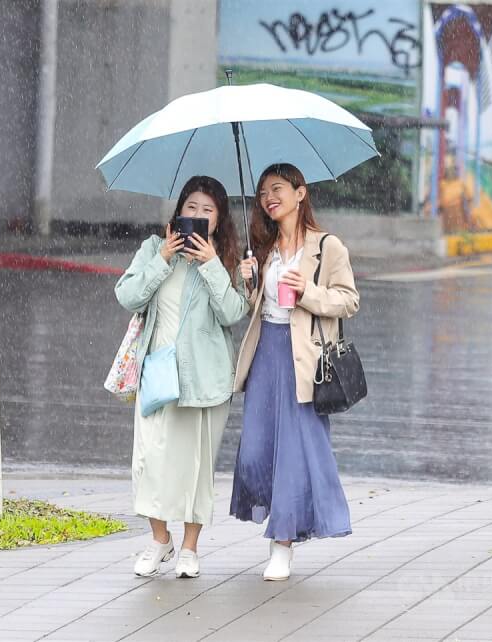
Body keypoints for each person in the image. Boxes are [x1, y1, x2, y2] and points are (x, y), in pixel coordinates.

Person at [114, 175, 249, 579]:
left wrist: (212, 265)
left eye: (208, 210)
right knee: (150, 461)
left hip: (206, 378)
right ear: (179, 213)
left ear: (219, 219)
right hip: (157, 373)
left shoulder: (225, 259)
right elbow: (128, 296)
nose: (198, 215)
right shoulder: (154, 249)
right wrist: (164, 260)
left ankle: (190, 548)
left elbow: (232, 313)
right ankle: (160, 540)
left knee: (196, 466)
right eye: (192, 208)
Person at [230, 163, 359, 581]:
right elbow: (253, 308)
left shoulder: (327, 247)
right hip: (266, 351)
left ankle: (281, 542)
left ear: (301, 194)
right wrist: (247, 281)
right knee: (255, 451)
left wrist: (308, 293)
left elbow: (348, 301)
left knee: (294, 451)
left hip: (305, 358)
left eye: (279, 188)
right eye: (264, 191)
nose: (270, 197)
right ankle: (285, 518)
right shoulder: (262, 249)